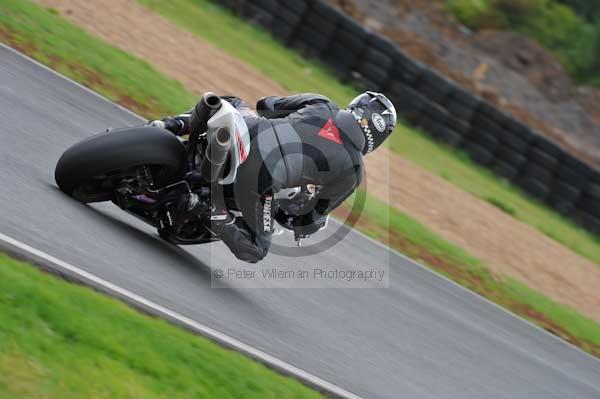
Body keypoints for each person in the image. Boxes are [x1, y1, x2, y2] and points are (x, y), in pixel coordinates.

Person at [149, 92, 397, 263]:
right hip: (261, 179)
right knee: (256, 250)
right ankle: (211, 210)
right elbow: (310, 217)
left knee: (232, 101)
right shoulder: (353, 170)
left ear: (355, 106)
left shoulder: (322, 104)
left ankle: (171, 124)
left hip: (248, 130)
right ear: (378, 138)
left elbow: (266, 104)